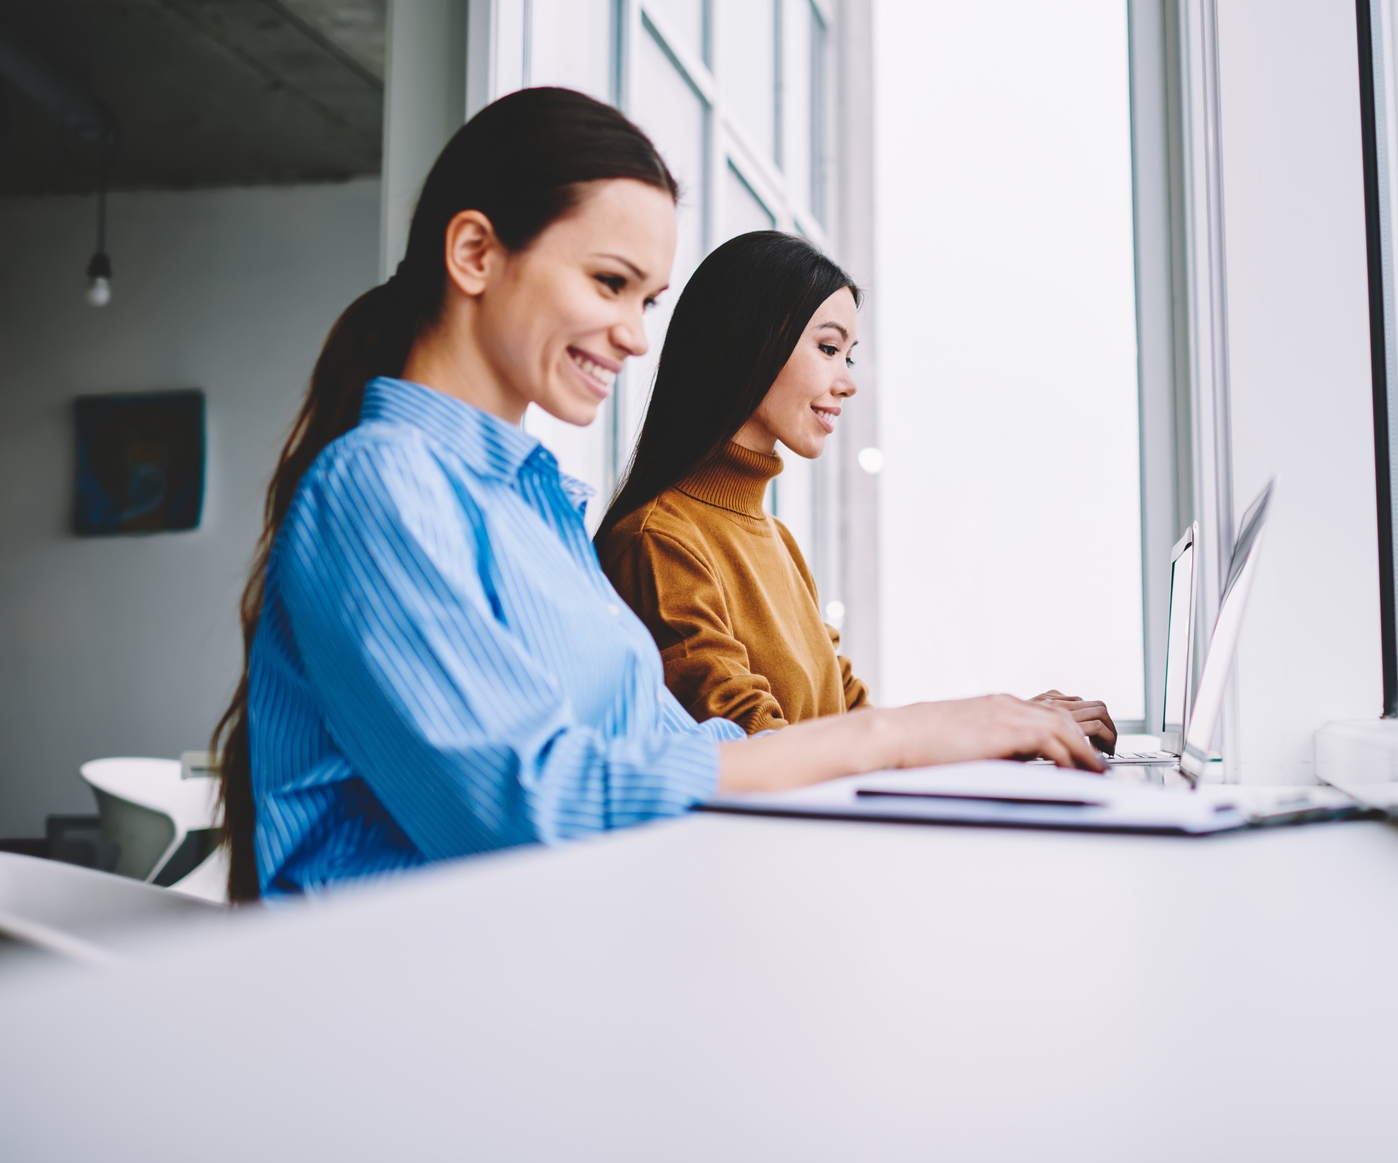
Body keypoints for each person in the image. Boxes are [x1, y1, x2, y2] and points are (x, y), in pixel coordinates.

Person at [209, 88, 1103, 903]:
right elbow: (533, 806)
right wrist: (893, 740)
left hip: (555, 953)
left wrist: (960, 737)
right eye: (610, 283)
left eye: (649, 298)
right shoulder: (380, 487)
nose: (636, 336)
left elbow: (669, 751)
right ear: (476, 253)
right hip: (419, 1002)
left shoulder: (538, 507)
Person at [593, 232, 1114, 745]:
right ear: (750, 341)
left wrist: (1004, 725)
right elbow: (753, 746)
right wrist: (984, 726)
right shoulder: (658, 541)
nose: (848, 381)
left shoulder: (777, 540)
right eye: (828, 348)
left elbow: (855, 722)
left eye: (849, 356)